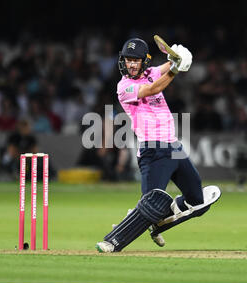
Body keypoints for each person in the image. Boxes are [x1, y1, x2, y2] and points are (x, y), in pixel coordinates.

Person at [95, 38, 222, 253]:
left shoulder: (151, 72)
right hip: (152, 150)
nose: (131, 65)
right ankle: (114, 240)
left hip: (174, 148)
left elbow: (166, 66)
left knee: (197, 201)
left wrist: (178, 57)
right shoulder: (124, 86)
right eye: (128, 60)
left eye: (136, 60)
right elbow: (153, 89)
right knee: (152, 202)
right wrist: (175, 70)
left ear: (144, 61)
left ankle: (156, 220)